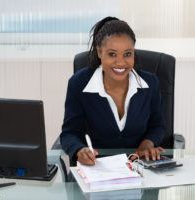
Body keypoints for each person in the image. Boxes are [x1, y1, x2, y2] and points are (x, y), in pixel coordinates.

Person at [60, 16, 166, 166]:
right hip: (97, 169)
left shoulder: (150, 83)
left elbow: (158, 125)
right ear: (99, 52)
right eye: (112, 54)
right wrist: (79, 150)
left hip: (141, 167)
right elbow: (69, 133)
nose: (121, 62)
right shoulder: (79, 83)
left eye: (127, 54)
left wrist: (148, 143)